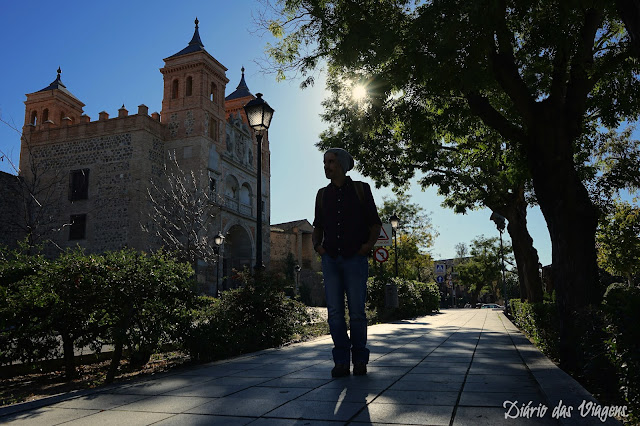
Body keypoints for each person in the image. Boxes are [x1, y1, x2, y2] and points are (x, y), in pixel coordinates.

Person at [312, 148, 382, 377]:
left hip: (355, 259)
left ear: (341, 164)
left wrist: (366, 247)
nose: (326, 166)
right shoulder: (322, 194)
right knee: (334, 313)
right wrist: (318, 248)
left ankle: (360, 360)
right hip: (331, 259)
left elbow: (375, 223)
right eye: (324, 162)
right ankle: (341, 360)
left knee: (357, 313)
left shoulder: (361, 189)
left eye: (330, 162)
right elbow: (318, 226)